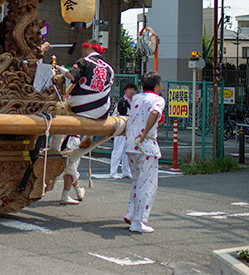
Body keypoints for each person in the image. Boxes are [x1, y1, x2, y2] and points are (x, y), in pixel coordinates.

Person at [53, 40, 115, 203]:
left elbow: (73, 77)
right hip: (100, 111)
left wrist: (60, 69)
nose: (81, 52)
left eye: (83, 48)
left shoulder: (84, 62)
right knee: (70, 154)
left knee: (68, 153)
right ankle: (77, 190)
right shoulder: (109, 68)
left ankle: (67, 194)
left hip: (79, 111)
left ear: (88, 48)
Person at [124, 71, 165, 234]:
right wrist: (145, 131)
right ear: (156, 86)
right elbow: (155, 113)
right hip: (146, 144)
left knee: (136, 181)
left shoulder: (136, 98)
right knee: (147, 184)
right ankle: (137, 221)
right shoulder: (157, 99)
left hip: (130, 144)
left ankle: (131, 212)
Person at [110, 83, 136, 179]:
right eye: (130, 89)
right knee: (118, 150)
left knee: (127, 152)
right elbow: (115, 114)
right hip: (121, 128)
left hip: (130, 130)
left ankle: (126, 171)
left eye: (133, 89)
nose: (132, 91)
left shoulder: (134, 101)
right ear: (125, 90)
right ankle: (113, 172)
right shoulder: (122, 102)